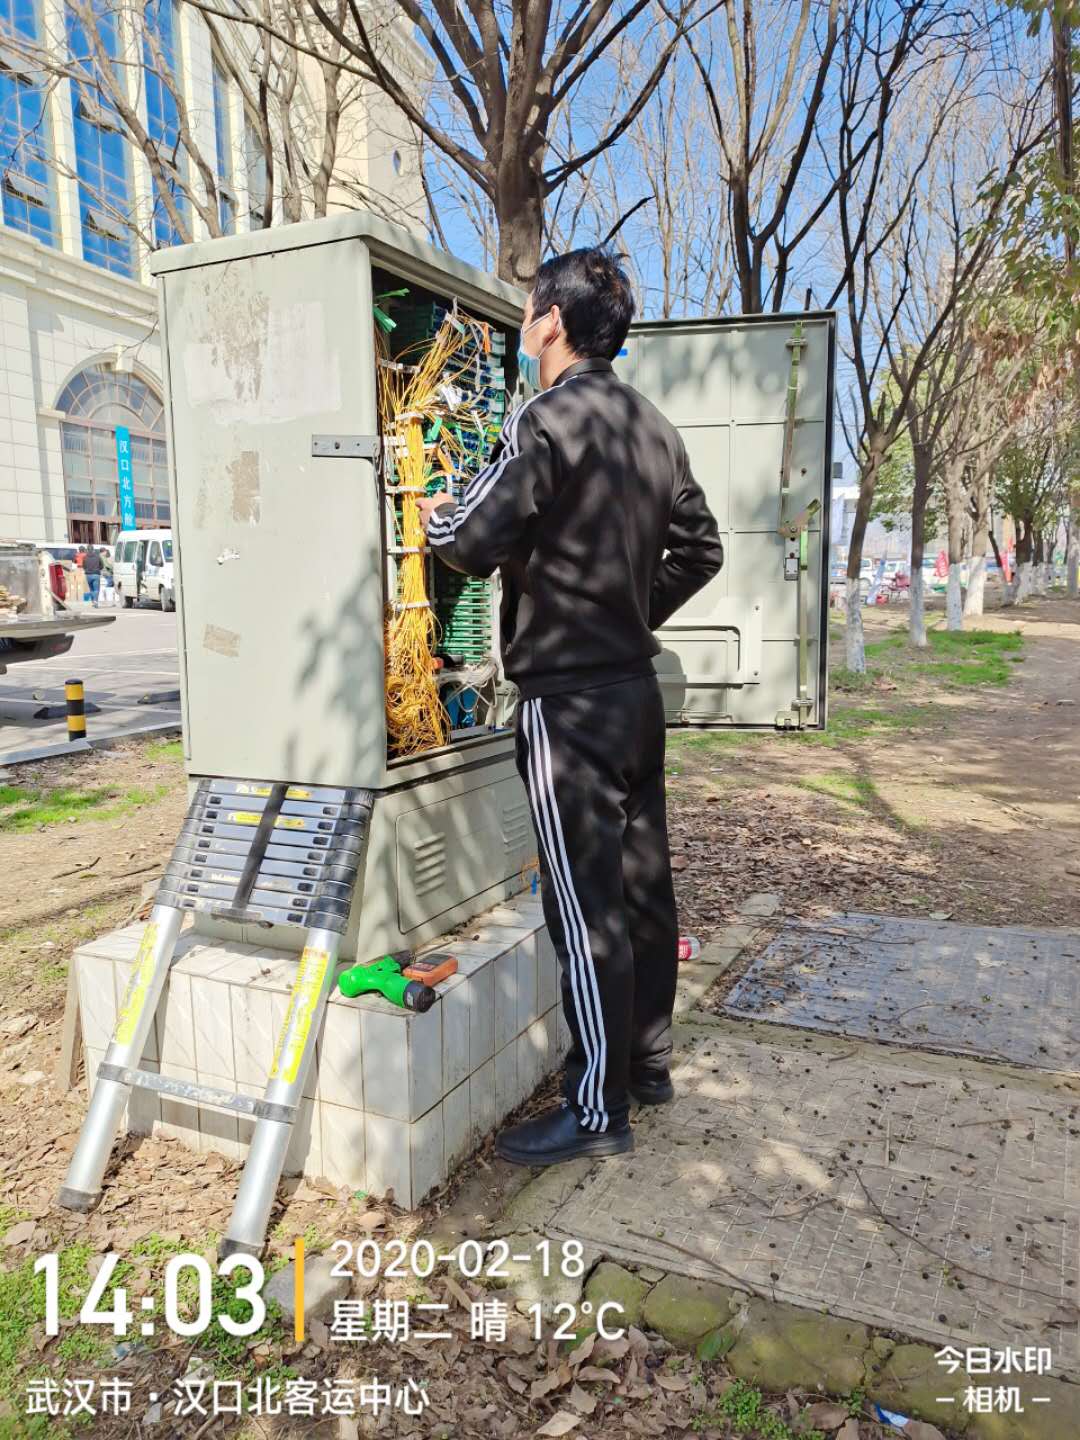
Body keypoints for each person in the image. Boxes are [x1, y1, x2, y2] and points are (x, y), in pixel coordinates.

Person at [417, 248, 724, 1167]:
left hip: (568, 707)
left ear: (551, 321)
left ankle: (597, 1110)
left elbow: (473, 538)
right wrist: (627, 611)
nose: (524, 324)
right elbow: (700, 548)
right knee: (641, 889)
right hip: (634, 695)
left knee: (583, 907)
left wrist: (431, 513)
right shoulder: (653, 425)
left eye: (527, 310)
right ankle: (647, 1064)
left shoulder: (543, 418)